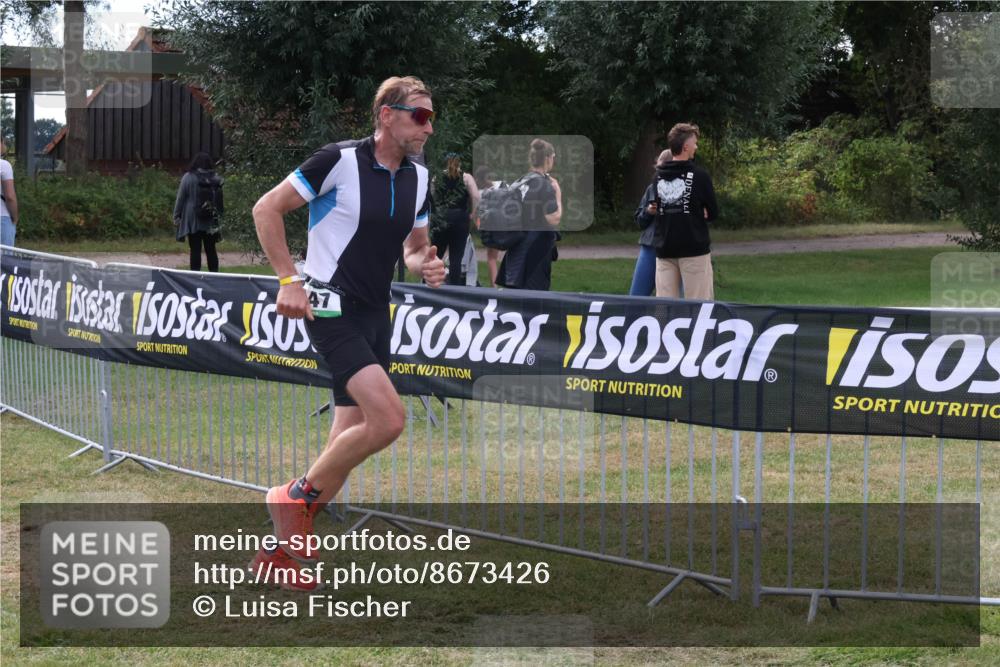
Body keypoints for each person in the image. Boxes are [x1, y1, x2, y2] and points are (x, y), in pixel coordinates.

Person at [250, 75, 446, 589]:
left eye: (432, 115)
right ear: (387, 115)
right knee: (388, 420)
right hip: (330, 310)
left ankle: (279, 557)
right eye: (420, 115)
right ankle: (289, 497)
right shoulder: (337, 160)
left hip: (377, 313)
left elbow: (414, 245)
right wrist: (288, 279)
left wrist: (427, 263)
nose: (429, 125)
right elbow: (266, 208)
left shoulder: (419, 178)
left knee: (341, 445)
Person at [653, 123, 718, 300]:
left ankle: (660, 327)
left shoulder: (658, 176)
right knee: (700, 303)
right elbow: (713, 212)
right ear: (686, 147)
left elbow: (655, 208)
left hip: (665, 248)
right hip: (693, 248)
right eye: (695, 143)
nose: (696, 147)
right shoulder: (700, 176)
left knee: (663, 304)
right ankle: (701, 329)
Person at [495, 138, 562, 291]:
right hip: (535, 253)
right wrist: (558, 193)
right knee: (534, 305)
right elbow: (553, 218)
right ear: (547, 158)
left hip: (516, 248)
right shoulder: (545, 184)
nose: (553, 160)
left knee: (514, 303)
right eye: (553, 156)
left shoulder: (521, 181)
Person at [430, 152, 479, 285]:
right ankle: (455, 288)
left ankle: (427, 282)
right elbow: (476, 196)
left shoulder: (437, 177)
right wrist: (473, 213)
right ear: (460, 162)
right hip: (460, 218)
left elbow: (432, 195)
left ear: (445, 162)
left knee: (436, 254)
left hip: (441, 217)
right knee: (456, 257)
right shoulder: (466, 177)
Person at [630, 149, 671, 296]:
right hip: (650, 246)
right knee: (637, 296)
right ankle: (633, 318)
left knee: (668, 298)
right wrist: (648, 212)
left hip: (672, 248)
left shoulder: (685, 187)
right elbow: (640, 221)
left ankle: (663, 318)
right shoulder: (652, 188)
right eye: (659, 168)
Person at [174, 152, 223, 272]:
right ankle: (215, 275)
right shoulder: (215, 178)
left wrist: (176, 215)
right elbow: (219, 200)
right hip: (210, 219)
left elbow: (180, 198)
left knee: (195, 249)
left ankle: (195, 276)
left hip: (193, 218)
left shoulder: (188, 177)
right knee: (211, 248)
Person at [473, 165, 502, 287]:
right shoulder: (501, 185)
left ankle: (494, 287)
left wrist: (478, 225)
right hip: (505, 225)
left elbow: (476, 214)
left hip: (490, 227)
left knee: (491, 258)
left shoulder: (479, 194)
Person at [1, 140, 18, 247]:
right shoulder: (4, 165)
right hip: (2, 218)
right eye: (4, 142)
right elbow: (10, 197)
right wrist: (15, 218)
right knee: (4, 261)